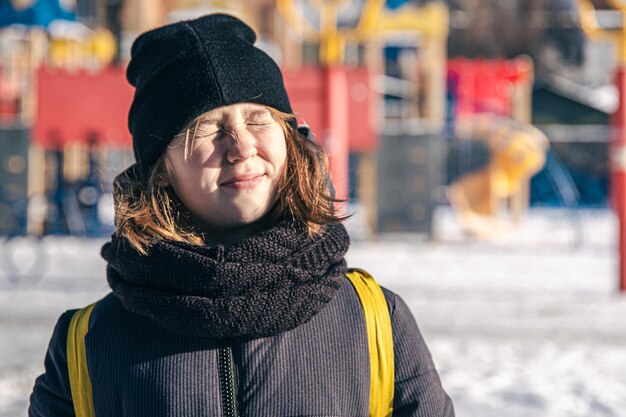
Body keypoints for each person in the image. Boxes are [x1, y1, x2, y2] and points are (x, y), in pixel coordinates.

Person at [28, 13, 454, 417]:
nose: (242, 147)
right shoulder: (88, 346)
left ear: (290, 139)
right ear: (160, 172)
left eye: (257, 119)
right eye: (208, 129)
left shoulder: (374, 322)